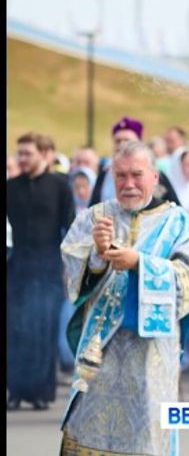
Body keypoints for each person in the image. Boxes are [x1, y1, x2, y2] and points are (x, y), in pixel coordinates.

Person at [59, 141, 189, 454]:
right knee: (88, 432)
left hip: (150, 354)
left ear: (154, 176)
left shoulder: (178, 224)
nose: (128, 184)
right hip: (101, 352)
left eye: (136, 175)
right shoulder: (94, 218)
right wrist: (98, 256)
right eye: (120, 176)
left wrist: (139, 263)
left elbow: (187, 280)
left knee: (146, 439)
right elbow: (73, 273)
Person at [7, 132, 75, 410]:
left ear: (44, 154)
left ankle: (41, 392)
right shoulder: (10, 187)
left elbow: (70, 228)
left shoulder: (60, 186)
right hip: (18, 265)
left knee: (44, 328)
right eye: (19, 153)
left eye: (28, 154)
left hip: (49, 266)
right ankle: (16, 390)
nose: (22, 159)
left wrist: (69, 268)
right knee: (17, 328)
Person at [90, 116, 181, 206]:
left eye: (127, 140)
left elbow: (173, 209)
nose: (122, 145)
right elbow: (93, 207)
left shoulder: (154, 174)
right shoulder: (105, 174)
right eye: (118, 141)